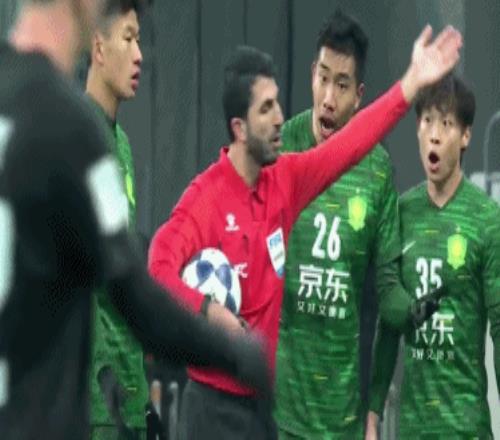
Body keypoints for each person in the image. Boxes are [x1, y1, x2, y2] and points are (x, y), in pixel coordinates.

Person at [148, 25, 462, 439]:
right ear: (240, 128)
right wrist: (210, 310)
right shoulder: (206, 197)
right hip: (211, 408)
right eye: (266, 109)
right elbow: (158, 268)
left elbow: (352, 143)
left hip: (262, 410)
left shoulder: (286, 181)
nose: (280, 117)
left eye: (278, 104)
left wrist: (411, 84)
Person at [0, 1, 272, 439]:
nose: (140, 54)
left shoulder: (67, 123)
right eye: (128, 37)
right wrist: (233, 353)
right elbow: (133, 295)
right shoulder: (71, 129)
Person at [274, 10, 442, 438]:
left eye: (343, 85)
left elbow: (388, 291)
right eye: (323, 78)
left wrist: (413, 310)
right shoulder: (280, 148)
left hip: (342, 416)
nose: (329, 97)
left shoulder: (377, 171)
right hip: (276, 410)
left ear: (360, 96)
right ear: (312, 76)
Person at [366, 73, 500, 439]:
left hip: (467, 428)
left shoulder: (487, 218)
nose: (435, 135)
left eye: (446, 124)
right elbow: (389, 323)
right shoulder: (400, 213)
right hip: (413, 428)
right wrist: (373, 412)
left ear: (466, 136)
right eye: (427, 121)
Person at [85, 1, 148, 438]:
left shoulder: (121, 143)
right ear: (98, 48)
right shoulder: (73, 139)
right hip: (95, 404)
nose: (139, 54)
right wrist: (102, 371)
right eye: (128, 38)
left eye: (139, 40)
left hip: (131, 399)